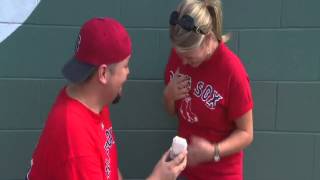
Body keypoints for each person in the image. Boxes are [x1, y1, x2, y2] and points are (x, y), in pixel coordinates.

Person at [26, 17, 187, 180]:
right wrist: (159, 177)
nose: (128, 72)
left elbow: (109, 168)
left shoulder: (93, 100)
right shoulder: (76, 138)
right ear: (103, 74)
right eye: (125, 65)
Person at [163, 0, 254, 179]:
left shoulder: (232, 71)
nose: (183, 62)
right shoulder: (180, 53)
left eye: (189, 56)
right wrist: (169, 95)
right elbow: (172, 111)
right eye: (179, 54)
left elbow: (246, 133)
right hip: (187, 168)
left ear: (209, 39)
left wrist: (214, 151)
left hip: (222, 172)